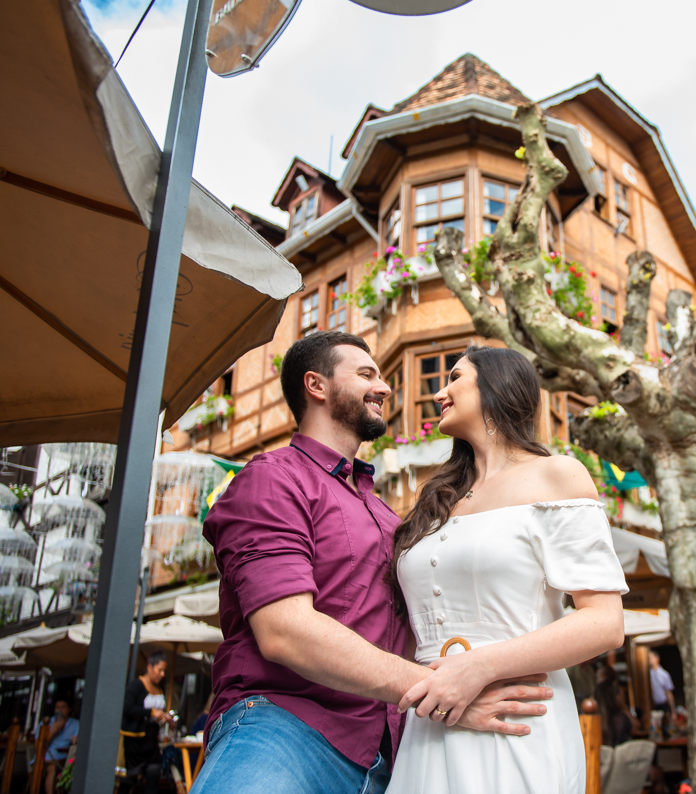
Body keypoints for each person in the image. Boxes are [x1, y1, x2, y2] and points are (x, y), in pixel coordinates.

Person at [190, 332, 556, 794]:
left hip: (389, 753)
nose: (383, 387)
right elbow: (285, 630)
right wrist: (441, 691)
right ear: (316, 386)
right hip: (285, 726)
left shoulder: (385, 513)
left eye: (382, 376)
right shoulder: (272, 478)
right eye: (366, 374)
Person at [388, 345, 628, 792]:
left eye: (455, 377)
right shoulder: (436, 499)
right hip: (428, 724)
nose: (440, 391)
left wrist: (478, 667)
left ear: (496, 385)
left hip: (518, 717)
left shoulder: (558, 475)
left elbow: (605, 623)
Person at [120, 653, 175, 794]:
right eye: (159, 670)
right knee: (129, 779)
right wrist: (151, 712)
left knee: (153, 775)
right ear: (149, 667)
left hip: (151, 740)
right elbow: (127, 708)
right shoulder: (136, 685)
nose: (162, 674)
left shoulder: (160, 688)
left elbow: (158, 713)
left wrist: (165, 718)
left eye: (164, 671)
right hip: (135, 741)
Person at [38, 698, 79, 794]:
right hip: (47, 757)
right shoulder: (46, 723)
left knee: (72, 765)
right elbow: (39, 746)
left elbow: (76, 741)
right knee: (52, 767)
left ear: (69, 709)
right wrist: (54, 731)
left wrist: (76, 740)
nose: (60, 710)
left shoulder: (76, 724)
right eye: (57, 708)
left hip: (65, 757)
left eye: (63, 707)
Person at [594, 663, 637, 747]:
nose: (596, 681)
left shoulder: (592, 717)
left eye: (598, 678)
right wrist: (624, 707)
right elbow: (635, 726)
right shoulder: (620, 718)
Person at [649, 649, 676, 716]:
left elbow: (669, 693)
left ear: (657, 659)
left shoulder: (664, 675)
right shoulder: (648, 674)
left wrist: (673, 712)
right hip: (652, 705)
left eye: (651, 657)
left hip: (663, 705)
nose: (649, 659)